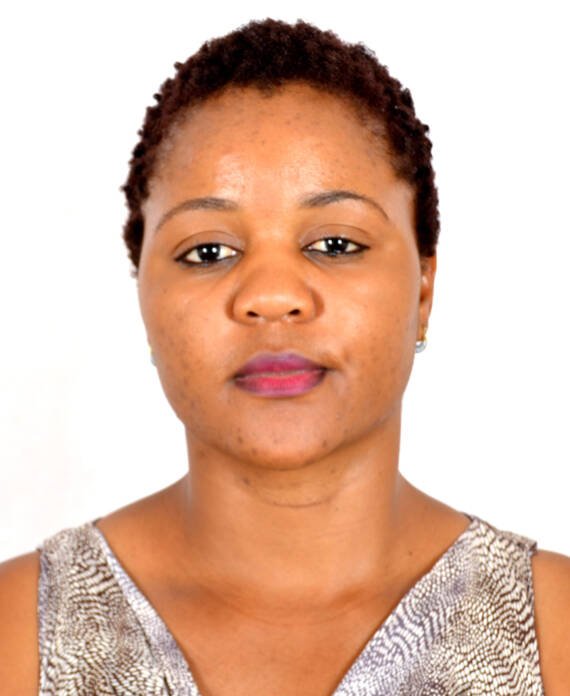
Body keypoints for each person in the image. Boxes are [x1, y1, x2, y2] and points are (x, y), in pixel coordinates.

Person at [1, 17, 569, 695]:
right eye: (208, 251)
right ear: (144, 296)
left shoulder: (555, 632)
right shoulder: (18, 634)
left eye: (335, 244)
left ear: (423, 289)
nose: (271, 297)